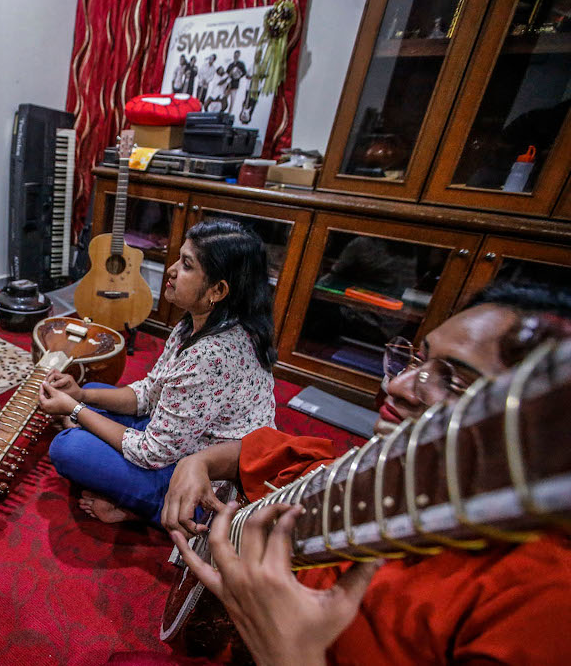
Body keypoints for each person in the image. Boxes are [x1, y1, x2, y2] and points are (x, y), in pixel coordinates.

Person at [164, 281, 571, 664]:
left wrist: (288, 656)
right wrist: (194, 462)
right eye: (419, 359)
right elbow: (271, 455)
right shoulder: (365, 475)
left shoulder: (538, 599)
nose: (398, 385)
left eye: (453, 380)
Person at [38, 219, 276, 526]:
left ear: (217, 290)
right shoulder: (195, 323)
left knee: (68, 447)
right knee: (96, 392)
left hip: (203, 486)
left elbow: (152, 453)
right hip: (185, 442)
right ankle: (126, 487)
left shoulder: (212, 354)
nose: (171, 270)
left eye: (186, 265)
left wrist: (75, 409)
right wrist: (81, 394)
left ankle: (147, 509)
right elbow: (150, 393)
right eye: (178, 259)